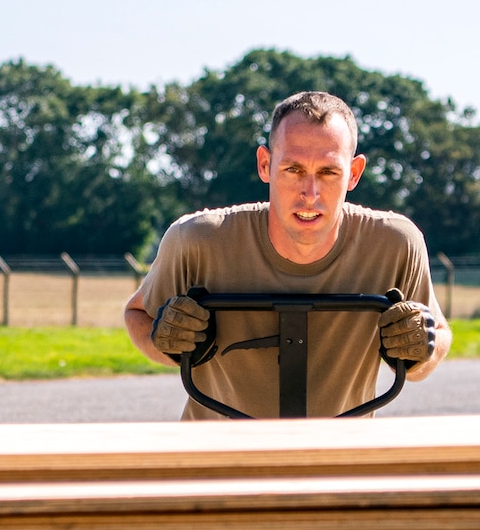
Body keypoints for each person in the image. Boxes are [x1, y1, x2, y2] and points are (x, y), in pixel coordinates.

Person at [124, 90, 451, 419]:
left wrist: (420, 350)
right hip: (217, 459)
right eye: (293, 170)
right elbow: (139, 314)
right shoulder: (197, 240)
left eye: (328, 172)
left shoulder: (394, 244)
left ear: (354, 173)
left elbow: (437, 336)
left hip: (339, 460)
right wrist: (170, 346)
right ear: (265, 164)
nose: (310, 194)